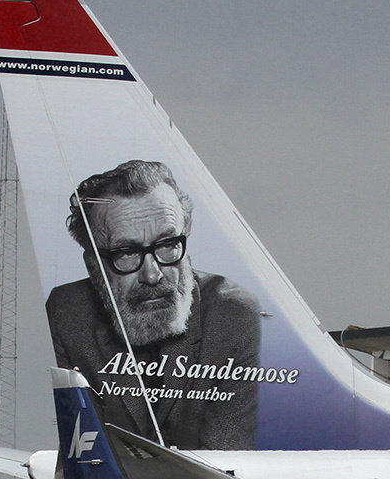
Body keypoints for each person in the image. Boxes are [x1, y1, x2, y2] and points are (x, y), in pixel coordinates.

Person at [48, 159, 260, 450]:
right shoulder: (67, 314)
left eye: (166, 245)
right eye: (126, 253)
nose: (153, 274)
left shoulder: (234, 315)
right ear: (93, 267)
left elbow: (230, 460)